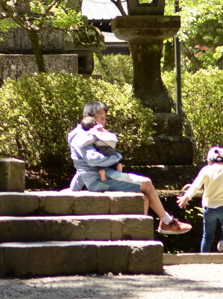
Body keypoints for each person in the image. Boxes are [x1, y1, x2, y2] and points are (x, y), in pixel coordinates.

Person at [66, 100, 191, 235]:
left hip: (100, 179)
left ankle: (140, 236)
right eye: (99, 117)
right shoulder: (83, 136)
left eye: (104, 118)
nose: (102, 121)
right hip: (100, 181)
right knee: (146, 183)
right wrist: (117, 157)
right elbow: (93, 160)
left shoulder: (85, 133)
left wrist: (73, 189)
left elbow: (81, 167)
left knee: (144, 197)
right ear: (88, 117)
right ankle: (167, 222)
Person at [177, 145, 223, 253]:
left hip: (209, 207)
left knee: (207, 236)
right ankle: (222, 241)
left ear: (209, 159)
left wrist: (186, 197)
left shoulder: (206, 170)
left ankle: (203, 259)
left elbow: (195, 185)